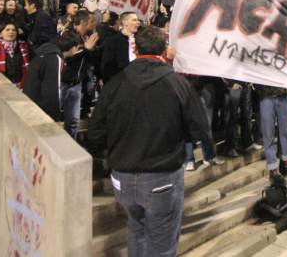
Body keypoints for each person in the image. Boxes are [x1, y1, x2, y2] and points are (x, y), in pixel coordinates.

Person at [87, 26, 211, 257]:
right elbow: (200, 129)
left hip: (122, 177)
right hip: (161, 176)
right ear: (165, 49)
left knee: (137, 231)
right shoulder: (177, 84)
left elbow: (94, 133)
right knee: (161, 246)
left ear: (135, 47)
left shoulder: (115, 84)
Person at [24, 31, 83, 122]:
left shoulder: (46, 52)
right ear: (74, 48)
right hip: (39, 109)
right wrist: (55, 115)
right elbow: (52, 89)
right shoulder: (55, 59)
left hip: (31, 101)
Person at [60, 11, 100, 138]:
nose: (94, 24)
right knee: (57, 118)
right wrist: (86, 49)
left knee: (73, 121)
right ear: (83, 22)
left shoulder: (85, 37)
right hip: (64, 83)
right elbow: (66, 56)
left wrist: (92, 50)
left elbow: (88, 57)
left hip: (77, 84)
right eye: (92, 21)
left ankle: (71, 147)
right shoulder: (67, 35)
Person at [257, 84, 287, 177]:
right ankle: (273, 169)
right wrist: (259, 89)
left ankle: (286, 163)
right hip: (266, 96)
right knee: (268, 134)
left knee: (285, 132)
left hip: (282, 94)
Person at [0, 23, 31, 89]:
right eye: (7, 30)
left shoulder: (25, 48)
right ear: (0, 34)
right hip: (1, 87)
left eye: (14, 30)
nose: (11, 32)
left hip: (22, 87)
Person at [101, 12, 140, 82]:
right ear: (125, 22)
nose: (138, 23)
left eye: (138, 20)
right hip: (120, 82)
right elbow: (107, 66)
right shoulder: (112, 41)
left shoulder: (141, 40)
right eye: (134, 20)